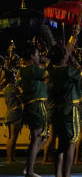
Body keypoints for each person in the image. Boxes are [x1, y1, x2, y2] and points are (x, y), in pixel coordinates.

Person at [46, 43, 82, 177]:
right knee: (71, 143)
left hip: (57, 109)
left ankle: (58, 173)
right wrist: (75, 62)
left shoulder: (51, 70)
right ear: (63, 56)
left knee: (62, 143)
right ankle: (67, 174)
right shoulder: (69, 70)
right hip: (69, 110)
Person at [20, 42, 49, 176]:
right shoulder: (32, 69)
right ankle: (30, 171)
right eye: (37, 55)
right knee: (37, 138)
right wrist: (47, 61)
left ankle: (28, 166)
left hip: (34, 106)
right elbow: (49, 72)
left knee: (43, 136)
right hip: (37, 106)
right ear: (32, 56)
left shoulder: (26, 69)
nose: (39, 57)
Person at [2, 66, 22, 165]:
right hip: (15, 113)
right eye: (14, 77)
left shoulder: (6, 89)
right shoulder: (14, 89)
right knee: (12, 137)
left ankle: (11, 158)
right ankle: (10, 159)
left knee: (12, 137)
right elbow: (20, 100)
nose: (15, 78)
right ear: (10, 78)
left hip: (10, 113)